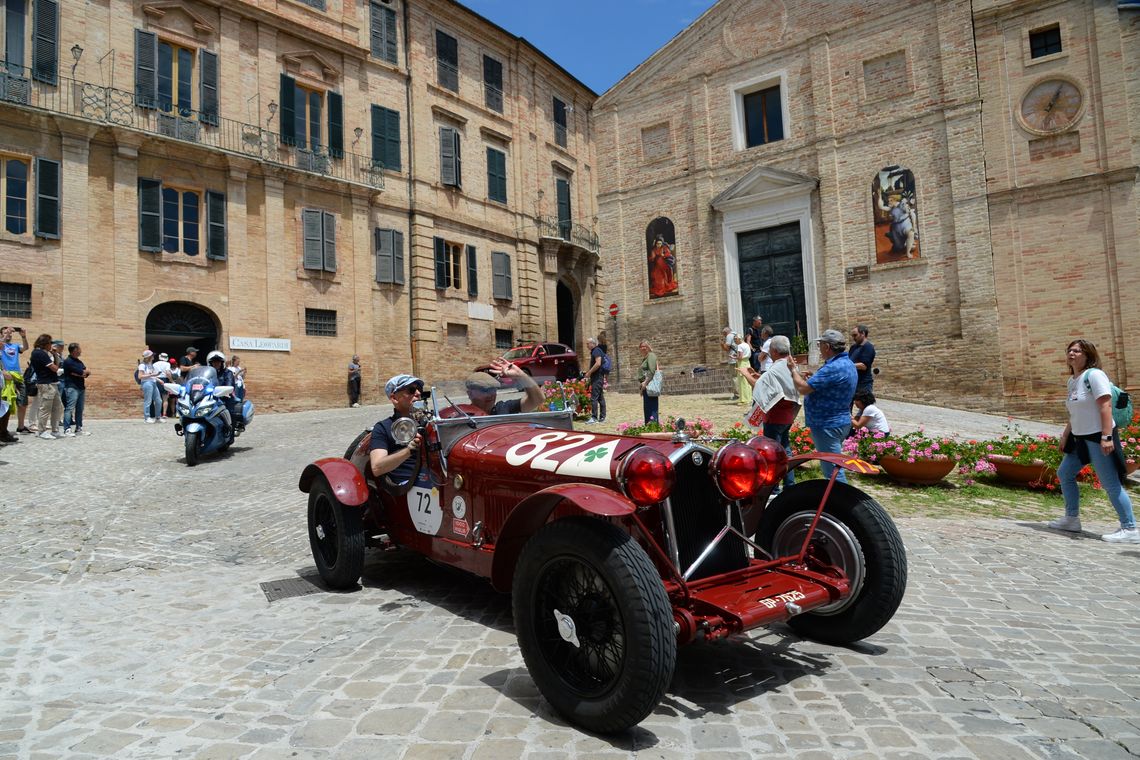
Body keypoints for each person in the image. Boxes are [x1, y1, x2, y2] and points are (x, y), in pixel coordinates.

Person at [1048, 339, 1137, 543]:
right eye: (1069, 350)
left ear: (1088, 355)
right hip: (1080, 438)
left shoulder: (1094, 375)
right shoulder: (1073, 381)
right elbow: (1075, 413)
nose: (1072, 353)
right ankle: (1071, 519)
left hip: (1099, 437)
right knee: (1065, 473)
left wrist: (1107, 437)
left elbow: (1105, 407)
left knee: (1110, 483)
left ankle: (1130, 528)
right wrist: (1065, 435)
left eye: (1077, 351)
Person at [790, 328, 857, 483]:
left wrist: (793, 370)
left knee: (833, 471)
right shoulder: (847, 363)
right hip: (840, 421)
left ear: (827, 347)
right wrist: (815, 378)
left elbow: (803, 388)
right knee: (835, 464)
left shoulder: (832, 368)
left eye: (820, 345)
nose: (819, 349)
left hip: (827, 424)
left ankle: (840, 504)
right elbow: (832, 384)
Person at [738, 335, 800, 492]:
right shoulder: (790, 364)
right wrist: (759, 376)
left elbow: (759, 386)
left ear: (773, 350)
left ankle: (774, 487)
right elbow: (774, 382)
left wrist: (745, 374)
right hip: (788, 415)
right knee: (785, 450)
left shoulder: (777, 367)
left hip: (775, 417)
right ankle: (789, 485)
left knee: (772, 454)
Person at [369, 374, 424, 483]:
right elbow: (376, 468)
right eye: (411, 390)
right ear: (394, 398)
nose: (418, 393)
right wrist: (408, 451)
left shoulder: (430, 421)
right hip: (408, 483)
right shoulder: (383, 427)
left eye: (419, 389)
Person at [466, 358, 543, 414]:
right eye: (484, 390)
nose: (490, 395)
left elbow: (537, 400)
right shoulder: (463, 415)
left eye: (492, 389)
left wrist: (521, 375)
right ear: (470, 394)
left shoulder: (503, 409)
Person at [30, 334, 63, 439]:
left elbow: (56, 366)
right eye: (50, 343)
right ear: (45, 343)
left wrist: (55, 355)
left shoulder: (44, 353)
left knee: (57, 407)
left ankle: (55, 430)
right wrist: (55, 363)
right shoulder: (39, 353)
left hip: (52, 383)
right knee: (45, 408)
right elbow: (54, 368)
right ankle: (42, 431)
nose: (51, 345)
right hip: (46, 384)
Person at [1, 325, 31, 434]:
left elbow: (25, 348)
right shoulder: (1, 345)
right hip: (6, 376)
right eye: (5, 333)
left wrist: (23, 337)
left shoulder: (14, 346)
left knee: (23, 401)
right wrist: (6, 335)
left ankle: (21, 426)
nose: (8, 335)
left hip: (18, 376)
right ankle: (3, 429)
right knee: (6, 402)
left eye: (9, 333)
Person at [205, 351, 243, 431]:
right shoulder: (208, 373)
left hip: (224, 397)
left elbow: (229, 385)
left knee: (230, 412)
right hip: (210, 397)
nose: (216, 363)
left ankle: (231, 432)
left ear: (222, 363)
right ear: (211, 363)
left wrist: (225, 389)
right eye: (214, 362)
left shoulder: (227, 373)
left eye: (218, 362)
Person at [61, 343, 91, 437]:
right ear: (75, 350)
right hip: (71, 387)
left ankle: (78, 428)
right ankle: (67, 429)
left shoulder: (79, 361)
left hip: (81, 387)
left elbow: (86, 372)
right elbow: (80, 372)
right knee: (69, 408)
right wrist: (81, 373)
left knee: (79, 409)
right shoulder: (68, 361)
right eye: (79, 349)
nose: (80, 351)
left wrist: (81, 373)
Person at [583, 336, 606, 424]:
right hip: (598, 376)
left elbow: (598, 363)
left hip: (597, 377)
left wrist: (589, 373)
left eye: (588, 344)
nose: (587, 345)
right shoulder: (597, 350)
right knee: (600, 397)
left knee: (594, 398)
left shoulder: (596, 351)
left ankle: (594, 417)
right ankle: (602, 417)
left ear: (593, 343)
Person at [637, 340, 660, 423]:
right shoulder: (646, 357)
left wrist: (645, 383)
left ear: (648, 347)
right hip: (646, 387)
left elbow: (652, 371)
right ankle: (649, 426)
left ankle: (653, 427)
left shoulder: (651, 356)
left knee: (651, 408)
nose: (643, 348)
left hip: (650, 385)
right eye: (641, 346)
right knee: (647, 408)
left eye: (644, 346)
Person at [849, 325, 876, 396]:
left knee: (864, 406)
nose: (853, 338)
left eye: (855, 335)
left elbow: (863, 366)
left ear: (863, 334)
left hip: (863, 384)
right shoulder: (853, 347)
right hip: (853, 382)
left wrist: (846, 366)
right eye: (852, 336)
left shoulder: (868, 347)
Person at [138, 350, 162, 423]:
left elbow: (152, 375)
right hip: (147, 383)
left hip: (153, 383)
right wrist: (153, 375)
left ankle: (158, 417)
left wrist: (158, 379)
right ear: (148, 357)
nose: (153, 356)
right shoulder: (142, 365)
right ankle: (147, 418)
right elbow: (140, 376)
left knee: (159, 401)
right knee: (148, 400)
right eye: (152, 355)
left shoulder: (151, 364)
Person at [731, 332, 751, 406]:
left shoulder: (740, 346)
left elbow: (740, 357)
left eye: (736, 339)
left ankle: (744, 400)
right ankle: (749, 398)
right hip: (747, 363)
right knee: (747, 381)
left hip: (742, 363)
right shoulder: (747, 345)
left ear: (739, 339)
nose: (735, 341)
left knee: (742, 382)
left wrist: (733, 357)